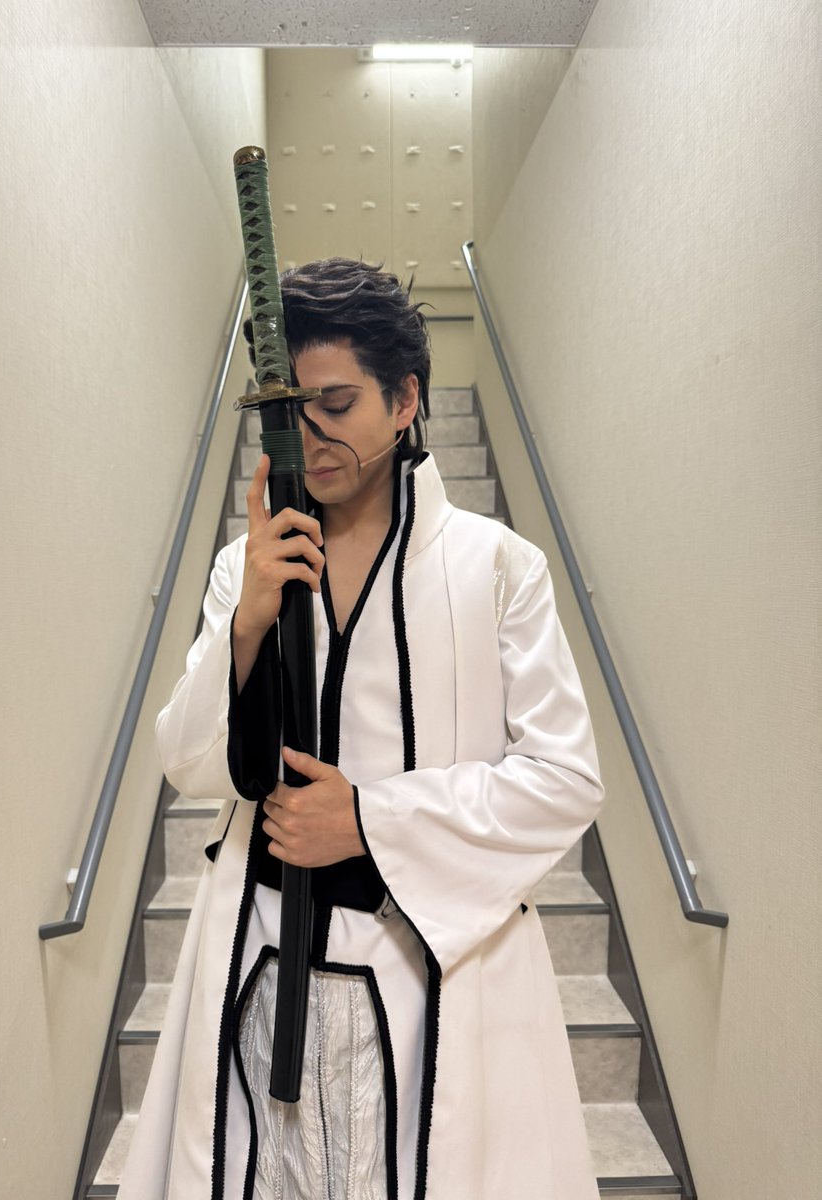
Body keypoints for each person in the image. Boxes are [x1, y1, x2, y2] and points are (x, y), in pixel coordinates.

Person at [117, 258, 604, 1200]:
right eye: (291, 412)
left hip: (424, 975)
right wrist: (249, 620)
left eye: (336, 404)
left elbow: (564, 780)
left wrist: (369, 821)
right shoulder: (246, 565)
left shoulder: (497, 567)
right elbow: (186, 760)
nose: (312, 437)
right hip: (258, 961)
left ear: (405, 399)